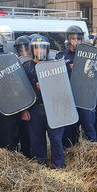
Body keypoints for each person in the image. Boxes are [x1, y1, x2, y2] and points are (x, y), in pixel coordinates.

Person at [21, 35, 65, 168]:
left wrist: (47, 87)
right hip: (34, 108)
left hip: (52, 107)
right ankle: (41, 165)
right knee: (37, 139)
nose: (40, 51)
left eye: (43, 49)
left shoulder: (54, 65)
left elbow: (62, 87)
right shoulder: (26, 67)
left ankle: (58, 165)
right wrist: (24, 110)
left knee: (56, 138)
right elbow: (21, 90)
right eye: (37, 48)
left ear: (47, 50)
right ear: (32, 50)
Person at [56, 25, 96, 145]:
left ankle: (92, 149)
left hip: (84, 96)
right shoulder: (61, 56)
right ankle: (70, 150)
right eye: (73, 39)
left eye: (78, 39)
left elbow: (94, 75)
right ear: (68, 39)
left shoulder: (89, 55)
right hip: (68, 96)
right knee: (70, 127)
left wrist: (81, 70)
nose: (76, 41)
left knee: (88, 125)